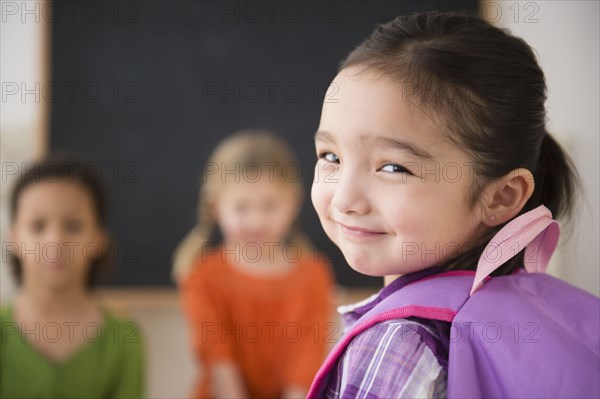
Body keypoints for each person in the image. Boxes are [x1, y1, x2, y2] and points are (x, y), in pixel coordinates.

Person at [310, 11, 579, 398]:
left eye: (392, 167)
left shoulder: (400, 342)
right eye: (331, 156)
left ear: (501, 196)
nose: (346, 199)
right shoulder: (527, 307)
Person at [173, 130, 334, 399]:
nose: (256, 221)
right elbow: (219, 363)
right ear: (216, 206)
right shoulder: (202, 276)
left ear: (293, 203)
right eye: (242, 208)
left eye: (270, 206)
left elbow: (305, 366)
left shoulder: (314, 275)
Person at [0, 156, 144, 398]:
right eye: (37, 226)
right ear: (14, 238)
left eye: (73, 225)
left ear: (98, 239)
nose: (55, 242)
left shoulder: (124, 340)